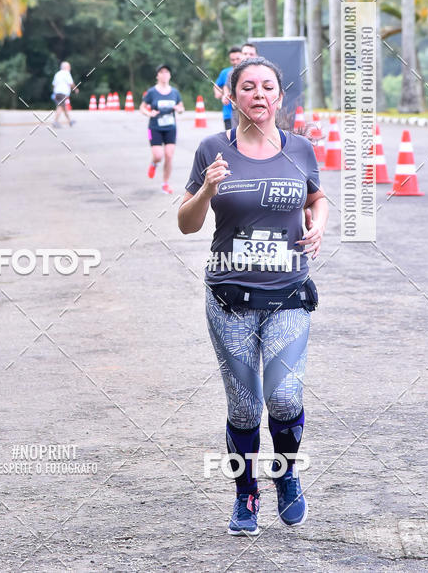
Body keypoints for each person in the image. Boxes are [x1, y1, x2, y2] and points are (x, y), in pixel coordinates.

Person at [178, 56, 328, 536]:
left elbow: (315, 197)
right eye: (248, 87)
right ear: (233, 95)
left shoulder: (300, 149)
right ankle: (246, 496)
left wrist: (319, 224)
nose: (258, 94)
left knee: (284, 397)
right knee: (244, 406)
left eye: (267, 87)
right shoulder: (211, 149)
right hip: (229, 298)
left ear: (279, 97)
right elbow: (186, 222)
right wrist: (206, 188)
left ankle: (287, 478)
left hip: (288, 293)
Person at [140, 65, 184, 194]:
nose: (164, 75)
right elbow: (142, 107)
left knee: (169, 156)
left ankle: (165, 183)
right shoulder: (152, 92)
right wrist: (149, 113)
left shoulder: (174, 92)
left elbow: (181, 108)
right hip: (155, 128)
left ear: (170, 75)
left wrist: (179, 109)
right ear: (157, 76)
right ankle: (154, 163)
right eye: (161, 72)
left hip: (171, 128)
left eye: (166, 72)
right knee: (158, 156)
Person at [227, 43, 258, 129]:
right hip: (238, 117)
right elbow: (227, 87)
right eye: (245, 54)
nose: (248, 56)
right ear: (241, 55)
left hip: (258, 117)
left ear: (256, 56)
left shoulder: (265, 73)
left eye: (251, 54)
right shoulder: (232, 74)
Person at [214, 46, 242, 131]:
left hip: (244, 114)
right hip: (228, 114)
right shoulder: (225, 73)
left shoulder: (248, 72)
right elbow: (217, 85)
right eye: (232, 60)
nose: (235, 62)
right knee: (231, 140)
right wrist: (221, 94)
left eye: (237, 59)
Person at [52, 61, 78, 127]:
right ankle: (55, 121)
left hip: (57, 93)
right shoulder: (66, 73)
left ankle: (70, 121)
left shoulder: (57, 74)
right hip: (62, 93)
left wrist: (54, 93)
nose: (70, 68)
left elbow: (54, 84)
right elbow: (71, 83)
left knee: (64, 107)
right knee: (60, 107)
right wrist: (75, 89)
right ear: (65, 67)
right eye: (69, 66)